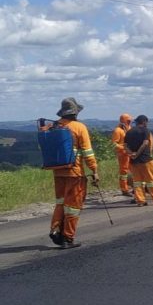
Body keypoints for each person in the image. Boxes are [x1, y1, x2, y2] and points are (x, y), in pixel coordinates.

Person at [42, 97, 99, 249]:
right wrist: (94, 170)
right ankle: (68, 237)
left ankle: (55, 230)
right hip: (74, 173)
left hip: (57, 172)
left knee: (60, 203)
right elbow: (88, 153)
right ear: (75, 113)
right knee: (73, 206)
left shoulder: (53, 126)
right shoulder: (79, 127)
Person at [124, 115, 153, 206]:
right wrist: (138, 153)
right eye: (147, 122)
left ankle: (140, 201)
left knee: (137, 182)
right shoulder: (145, 130)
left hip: (133, 162)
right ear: (144, 122)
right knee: (151, 181)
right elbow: (145, 143)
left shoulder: (129, 132)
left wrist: (132, 154)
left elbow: (125, 146)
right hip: (145, 160)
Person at [111, 113, 133, 197]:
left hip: (130, 154)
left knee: (133, 171)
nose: (129, 122)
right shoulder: (118, 130)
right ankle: (124, 189)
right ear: (124, 120)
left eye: (130, 121)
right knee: (124, 172)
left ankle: (134, 188)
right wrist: (123, 148)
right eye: (128, 121)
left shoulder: (129, 129)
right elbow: (114, 144)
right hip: (122, 154)